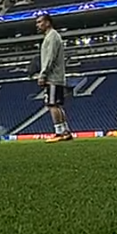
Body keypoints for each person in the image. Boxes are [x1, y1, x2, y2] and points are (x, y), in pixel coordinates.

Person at [34, 14, 72, 143]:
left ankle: (59, 132)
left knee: (52, 104)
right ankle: (65, 132)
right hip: (57, 76)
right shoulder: (53, 36)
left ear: (48, 22)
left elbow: (50, 57)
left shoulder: (52, 37)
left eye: (40, 22)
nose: (37, 25)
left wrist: (43, 74)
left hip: (53, 77)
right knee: (57, 105)